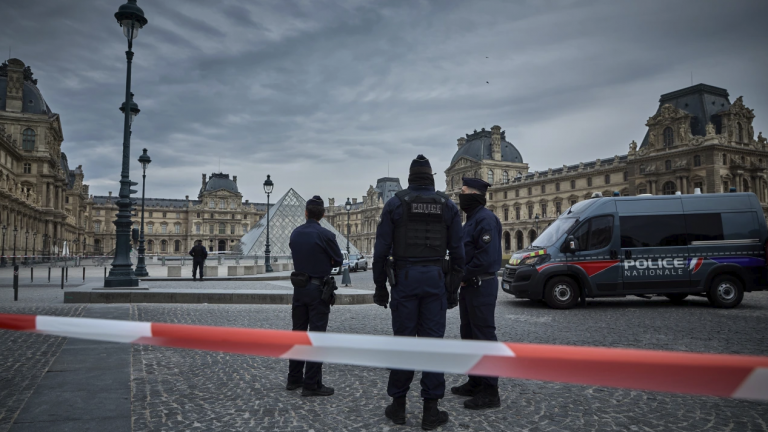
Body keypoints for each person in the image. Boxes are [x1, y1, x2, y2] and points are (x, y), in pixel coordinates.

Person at [373, 154, 465, 430]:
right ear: (432, 178)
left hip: (405, 279)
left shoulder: (395, 204)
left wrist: (380, 287)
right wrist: (452, 290)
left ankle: (398, 407)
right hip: (436, 279)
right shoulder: (447, 205)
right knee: (432, 345)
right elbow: (459, 254)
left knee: (403, 343)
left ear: (410, 178)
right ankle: (430, 410)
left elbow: (380, 253)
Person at [451, 177, 503, 409]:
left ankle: (491, 391)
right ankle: (475, 381)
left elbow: (487, 258)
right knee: (469, 335)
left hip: (481, 285)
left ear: (474, 194)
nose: (460, 196)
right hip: (470, 286)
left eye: (463, 192)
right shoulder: (471, 220)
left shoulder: (486, 220)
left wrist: (462, 274)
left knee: (484, 337)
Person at [287, 195, 343, 397]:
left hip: (299, 288)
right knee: (316, 337)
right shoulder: (326, 235)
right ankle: (311, 384)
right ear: (323, 214)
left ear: (306, 212)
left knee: (298, 334)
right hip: (318, 289)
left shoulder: (295, 233)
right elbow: (338, 261)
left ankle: (293, 379)